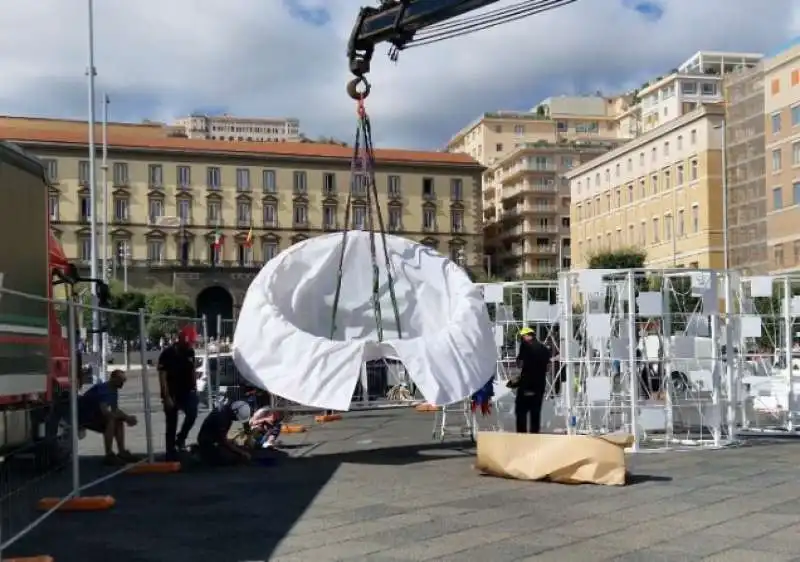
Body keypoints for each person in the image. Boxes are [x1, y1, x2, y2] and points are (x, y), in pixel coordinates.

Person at [78, 370, 138, 465]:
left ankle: (121, 452)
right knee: (111, 419)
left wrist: (126, 417)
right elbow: (105, 411)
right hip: (85, 416)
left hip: (94, 415)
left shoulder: (113, 390)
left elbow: (115, 409)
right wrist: (126, 418)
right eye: (120, 380)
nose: (122, 383)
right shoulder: (104, 389)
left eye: (124, 380)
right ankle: (109, 454)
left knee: (118, 420)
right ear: (113, 379)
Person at [158, 324, 199, 461]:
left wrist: (195, 387)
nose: (190, 346)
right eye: (188, 343)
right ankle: (170, 452)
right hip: (172, 392)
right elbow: (162, 377)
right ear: (181, 340)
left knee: (192, 414)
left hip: (187, 391)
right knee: (171, 423)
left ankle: (180, 438)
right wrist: (166, 396)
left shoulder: (190, 352)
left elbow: (192, 369)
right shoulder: (167, 354)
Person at [509, 327, 551, 434]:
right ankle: (534, 438)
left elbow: (520, 364)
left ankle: (522, 437)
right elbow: (548, 368)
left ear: (528, 336)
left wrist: (519, 360)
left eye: (523, 337)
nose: (522, 339)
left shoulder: (525, 346)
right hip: (539, 385)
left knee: (521, 412)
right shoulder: (544, 349)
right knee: (535, 413)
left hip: (526, 384)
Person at [195, 400, 252, 466]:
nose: (236, 420)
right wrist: (242, 453)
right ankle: (199, 454)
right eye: (236, 418)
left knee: (239, 450)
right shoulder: (222, 417)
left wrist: (249, 437)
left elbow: (245, 422)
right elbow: (223, 441)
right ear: (234, 413)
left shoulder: (232, 407)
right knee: (231, 458)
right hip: (208, 441)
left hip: (216, 437)